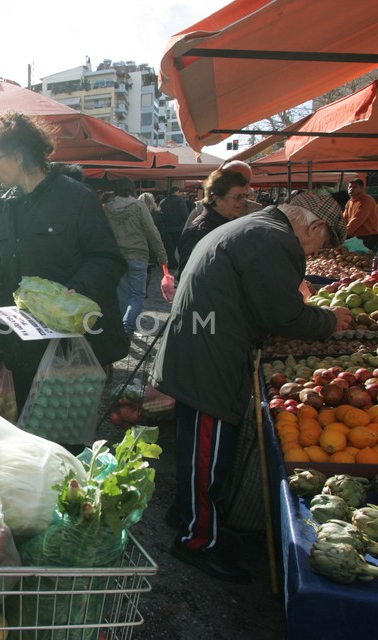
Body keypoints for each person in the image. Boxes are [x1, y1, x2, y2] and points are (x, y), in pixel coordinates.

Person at [152, 192, 353, 584]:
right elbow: (281, 313)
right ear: (315, 227)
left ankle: (191, 515)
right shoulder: (273, 238)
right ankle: (196, 541)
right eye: (323, 244)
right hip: (211, 357)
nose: (315, 252)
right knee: (207, 454)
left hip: (202, 348)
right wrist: (328, 320)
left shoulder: (257, 226)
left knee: (200, 450)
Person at [0, 112, 128, 411]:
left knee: (64, 438)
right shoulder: (5, 207)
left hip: (67, 347)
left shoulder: (76, 198)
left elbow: (108, 259)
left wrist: (74, 291)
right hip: (22, 347)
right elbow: (6, 276)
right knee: (26, 434)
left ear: (19, 156)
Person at [103, 178, 168, 336]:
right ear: (132, 189)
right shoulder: (138, 206)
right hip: (138, 255)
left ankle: (120, 326)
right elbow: (152, 232)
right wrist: (162, 256)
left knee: (121, 293)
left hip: (116, 257)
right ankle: (127, 326)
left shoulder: (106, 208)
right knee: (137, 295)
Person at [174, 167, 249, 281]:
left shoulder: (233, 225)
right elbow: (188, 279)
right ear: (215, 198)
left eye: (244, 196)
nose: (243, 201)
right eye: (237, 197)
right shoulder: (198, 232)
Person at [158, 186, 190, 270]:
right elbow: (185, 214)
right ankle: (178, 263)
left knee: (169, 247)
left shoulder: (163, 202)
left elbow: (160, 216)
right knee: (178, 247)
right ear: (176, 191)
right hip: (179, 227)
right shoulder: (180, 201)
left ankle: (171, 264)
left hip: (167, 228)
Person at [343, 179, 378, 250]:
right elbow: (344, 218)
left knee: (365, 259)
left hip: (368, 236)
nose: (351, 189)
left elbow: (357, 219)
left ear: (362, 188)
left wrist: (344, 233)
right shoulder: (350, 202)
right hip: (355, 236)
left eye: (355, 187)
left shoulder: (366, 200)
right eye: (350, 187)